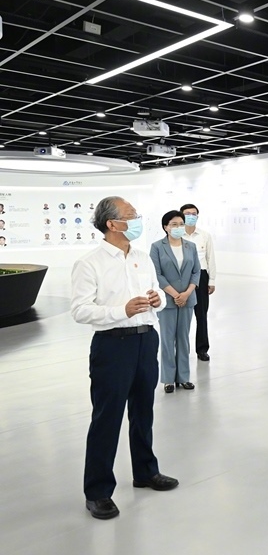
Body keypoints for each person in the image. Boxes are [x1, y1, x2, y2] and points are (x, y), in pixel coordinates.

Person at [70, 196, 179, 520]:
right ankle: (98, 491)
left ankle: (146, 471)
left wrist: (157, 300)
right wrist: (122, 310)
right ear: (112, 223)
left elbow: (155, 297)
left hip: (146, 340)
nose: (137, 220)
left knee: (143, 411)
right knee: (107, 418)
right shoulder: (89, 263)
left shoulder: (142, 258)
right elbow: (80, 310)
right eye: (131, 215)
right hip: (112, 346)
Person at [150, 211, 201, 394]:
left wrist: (186, 293)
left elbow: (196, 271)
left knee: (183, 339)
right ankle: (168, 379)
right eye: (174, 224)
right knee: (167, 339)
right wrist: (175, 294)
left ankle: (184, 377)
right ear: (166, 227)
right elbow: (157, 274)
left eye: (181, 224)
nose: (178, 227)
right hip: (167, 300)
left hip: (187, 299)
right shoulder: (157, 247)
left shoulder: (191, 246)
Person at [180, 204, 216, 362]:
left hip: (201, 276)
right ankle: (182, 349)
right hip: (181, 276)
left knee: (201, 314)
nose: (191, 216)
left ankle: (202, 349)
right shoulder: (177, 235)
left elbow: (210, 258)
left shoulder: (205, 235)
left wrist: (212, 280)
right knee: (182, 316)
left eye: (194, 214)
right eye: (187, 214)